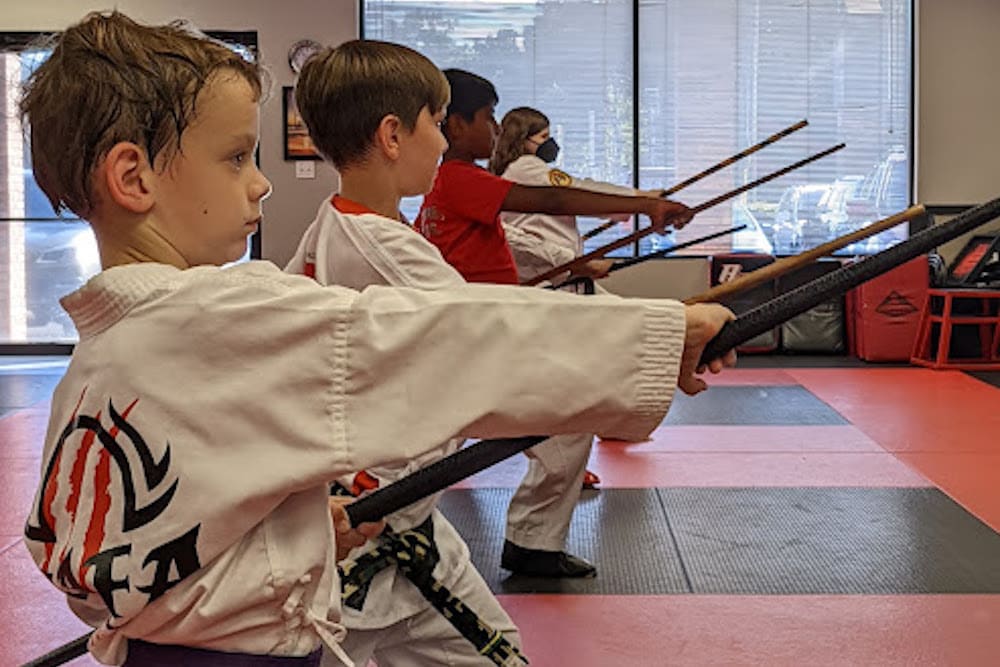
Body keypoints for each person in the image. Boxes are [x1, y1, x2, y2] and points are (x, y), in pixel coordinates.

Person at [20, 12, 735, 667]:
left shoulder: (98, 360)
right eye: (236, 157)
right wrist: (660, 335)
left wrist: (293, 534)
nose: (262, 184)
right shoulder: (226, 309)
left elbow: (93, 544)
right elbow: (442, 340)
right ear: (132, 176)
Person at [288, 40, 733, 667]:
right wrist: (669, 329)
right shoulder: (391, 250)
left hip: (399, 517)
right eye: (435, 124)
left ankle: (534, 537)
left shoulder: (329, 225)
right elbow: (489, 330)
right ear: (393, 135)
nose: (443, 142)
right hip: (369, 528)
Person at [415, 70, 693, 580]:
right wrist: (645, 205)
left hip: (492, 325)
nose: (495, 128)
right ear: (456, 124)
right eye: (487, 117)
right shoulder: (459, 178)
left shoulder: (454, 182)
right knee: (425, 453)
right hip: (479, 334)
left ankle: (533, 544)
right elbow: (556, 200)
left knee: (563, 425)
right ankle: (399, 525)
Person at [489, 105, 665, 287]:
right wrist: (640, 197)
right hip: (547, 274)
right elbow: (578, 191)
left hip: (550, 271)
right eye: (543, 137)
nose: (550, 143)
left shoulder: (514, 170)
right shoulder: (526, 167)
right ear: (523, 141)